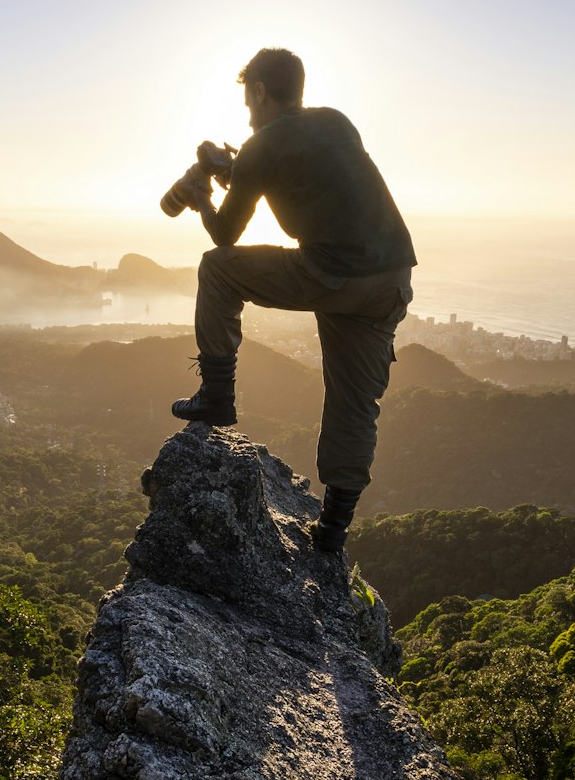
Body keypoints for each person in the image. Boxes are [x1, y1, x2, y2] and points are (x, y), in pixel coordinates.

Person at [168, 47, 416, 553]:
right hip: (389, 282)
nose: (248, 113)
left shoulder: (262, 146)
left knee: (216, 272)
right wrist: (238, 171)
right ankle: (333, 529)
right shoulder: (337, 123)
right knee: (355, 403)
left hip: (332, 274)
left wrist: (202, 199)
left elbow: (225, 236)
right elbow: (311, 176)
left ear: (260, 91)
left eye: (248, 101)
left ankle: (217, 397)